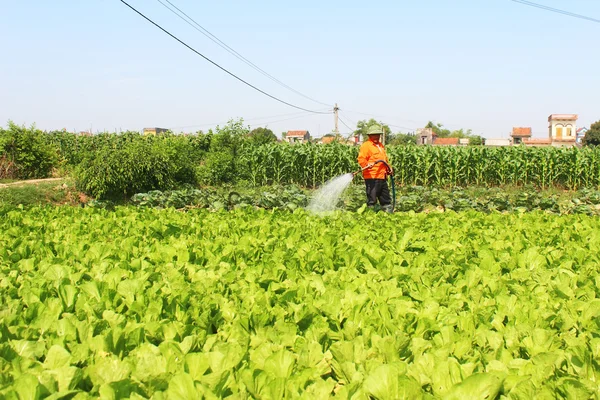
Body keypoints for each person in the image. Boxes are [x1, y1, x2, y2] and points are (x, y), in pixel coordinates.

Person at [357, 125, 394, 213]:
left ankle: (388, 215)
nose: (377, 136)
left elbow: (384, 160)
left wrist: (389, 168)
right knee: (372, 199)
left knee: (385, 198)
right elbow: (361, 159)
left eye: (378, 135)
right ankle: (371, 216)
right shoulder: (366, 146)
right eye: (374, 135)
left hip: (382, 176)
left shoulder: (380, 146)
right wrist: (367, 164)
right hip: (372, 177)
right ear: (369, 136)